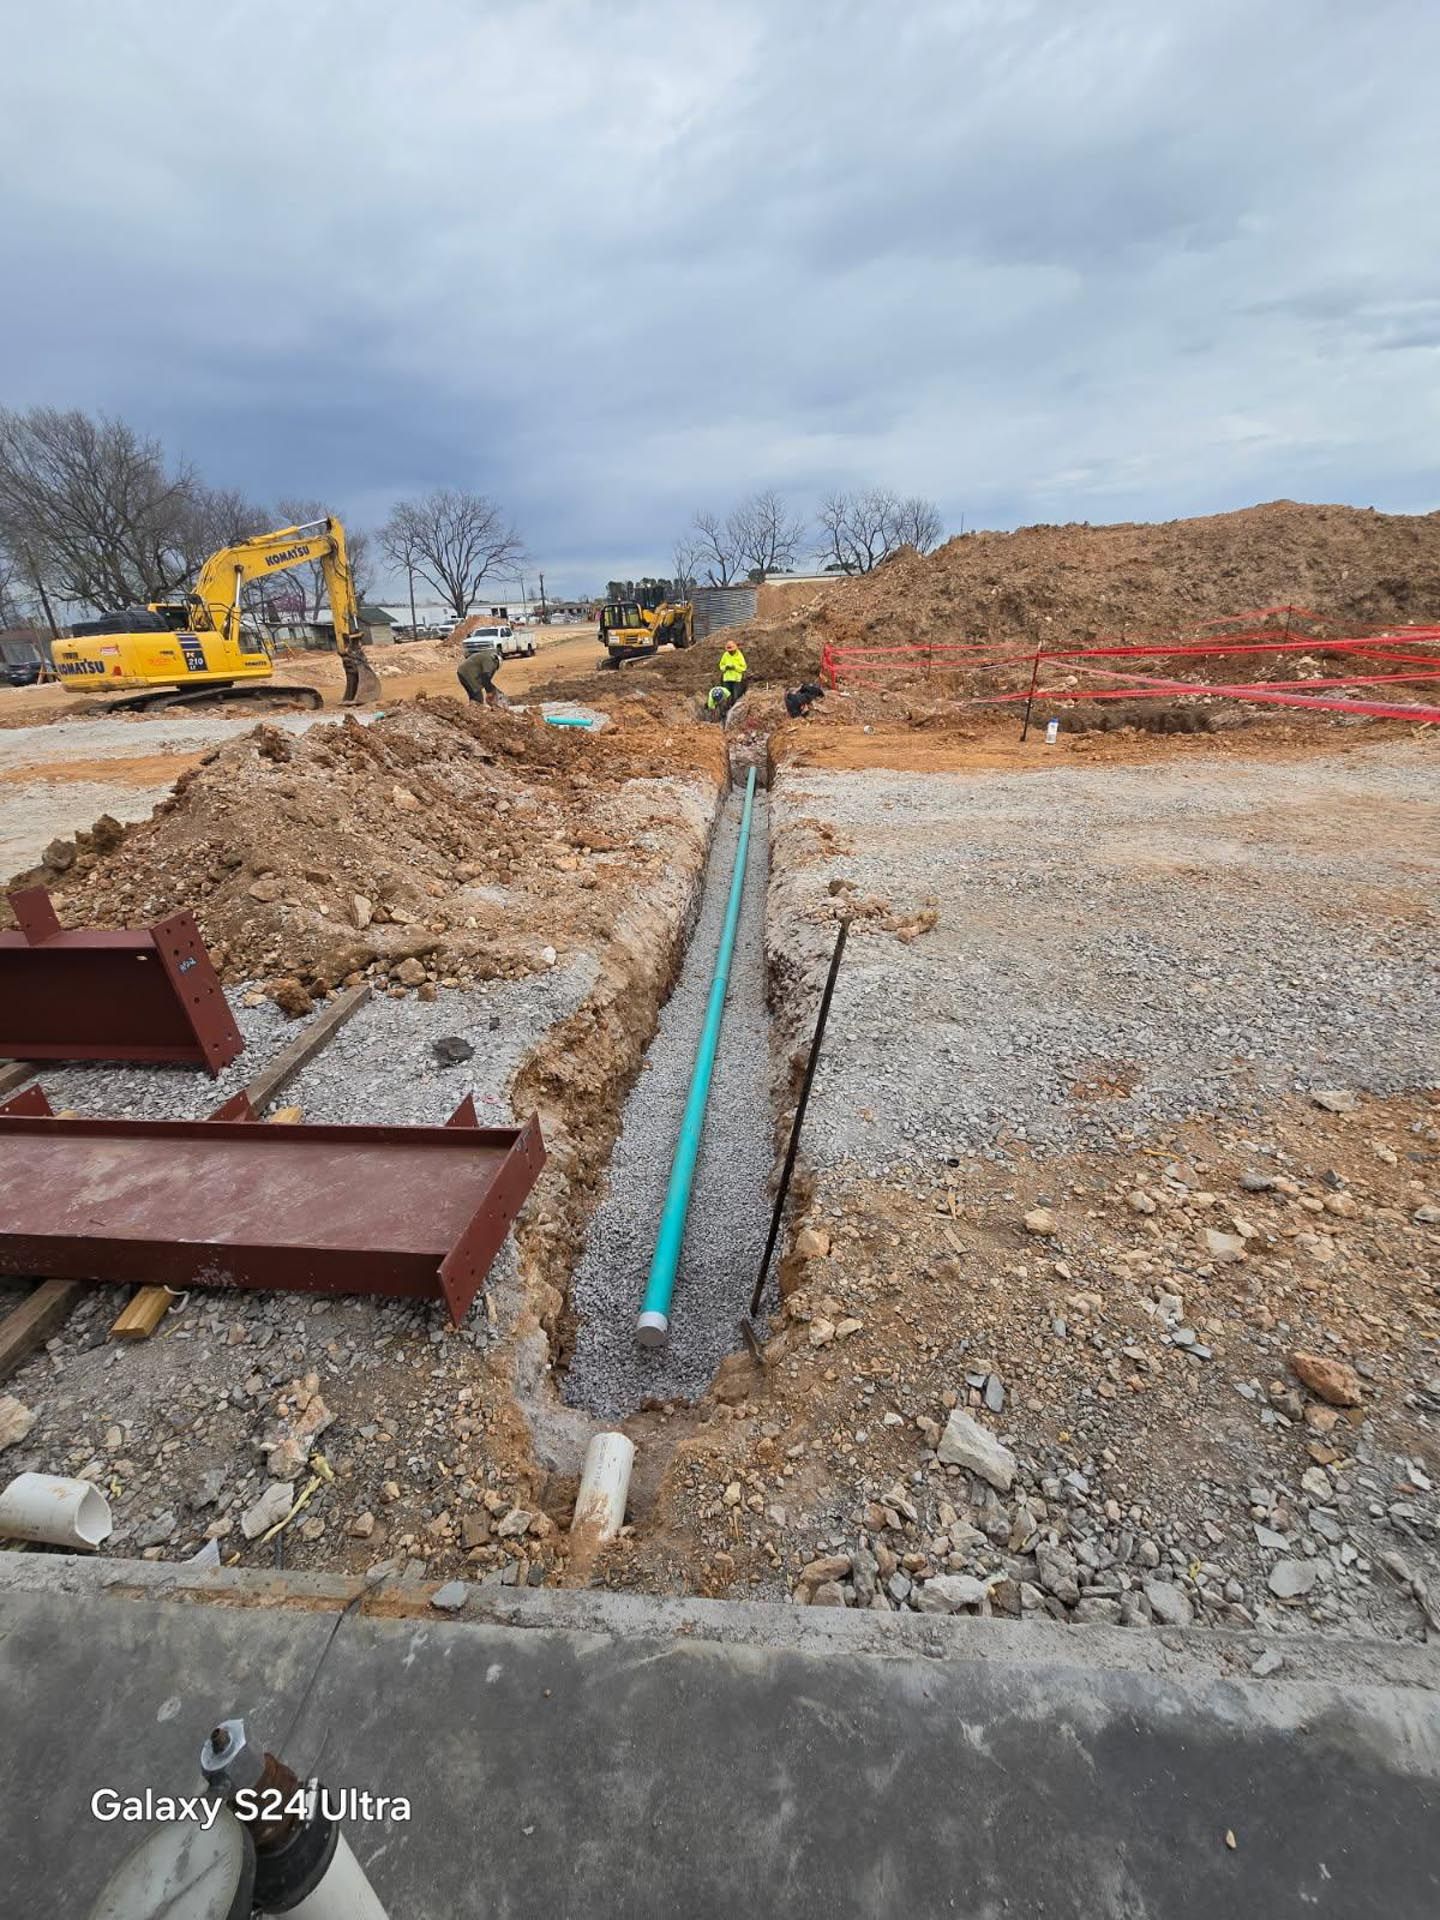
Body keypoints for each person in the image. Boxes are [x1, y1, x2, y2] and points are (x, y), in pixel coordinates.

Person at [457, 640, 501, 706]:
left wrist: (492, 688)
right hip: (468, 674)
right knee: (478, 698)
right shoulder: (490, 661)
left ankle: (472, 711)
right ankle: (476, 712)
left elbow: (486, 679)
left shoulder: (486, 656)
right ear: (496, 662)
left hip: (463, 673)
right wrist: (489, 692)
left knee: (473, 696)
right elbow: (485, 677)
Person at [717, 639, 748, 707]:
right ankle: (726, 710)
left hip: (736, 679)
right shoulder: (725, 655)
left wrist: (735, 667)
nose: (730, 652)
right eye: (729, 651)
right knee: (726, 697)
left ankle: (733, 711)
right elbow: (721, 666)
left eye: (731, 651)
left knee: (735, 696)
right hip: (727, 679)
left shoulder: (739, 655)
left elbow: (744, 667)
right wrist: (725, 667)